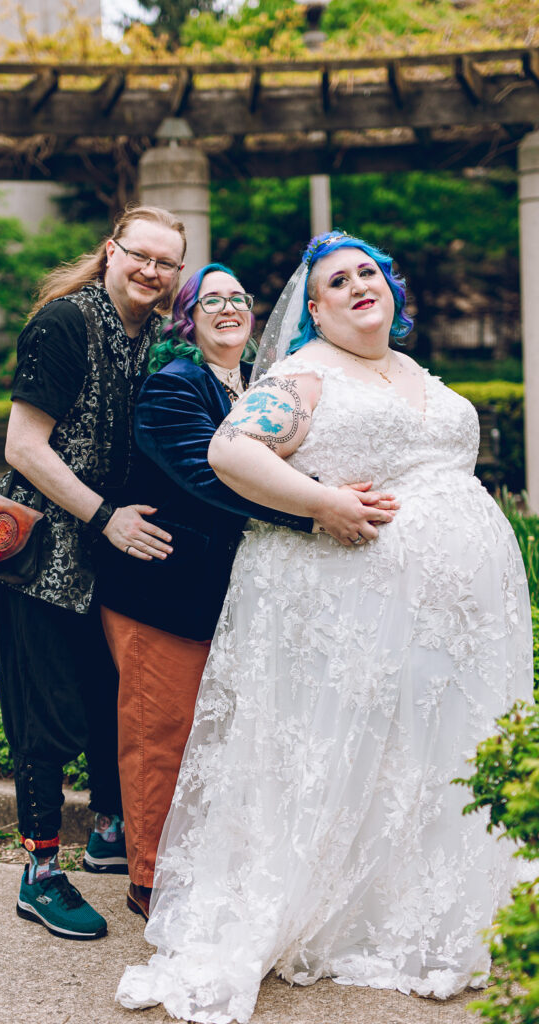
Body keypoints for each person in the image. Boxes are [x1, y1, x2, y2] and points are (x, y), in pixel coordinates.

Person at [115, 230, 533, 1019]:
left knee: (426, 751)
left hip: (455, 620)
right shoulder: (303, 375)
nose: (355, 286)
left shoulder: (411, 369)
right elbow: (232, 450)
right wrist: (323, 504)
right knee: (363, 752)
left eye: (366, 273)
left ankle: (430, 890)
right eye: (335, 282)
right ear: (314, 309)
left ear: (390, 290)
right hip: (362, 607)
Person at [96, 262, 399, 922]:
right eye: (210, 301)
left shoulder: (253, 385)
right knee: (160, 733)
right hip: (162, 588)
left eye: (238, 297)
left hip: (222, 594)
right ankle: (147, 879)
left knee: (215, 738)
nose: (228, 307)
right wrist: (312, 510)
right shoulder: (171, 386)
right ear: (187, 319)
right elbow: (206, 477)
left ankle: (196, 863)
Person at [0, 204, 185, 941]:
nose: (151, 271)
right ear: (111, 251)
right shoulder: (64, 324)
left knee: (112, 698)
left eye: (166, 263)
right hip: (41, 552)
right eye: (140, 255)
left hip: (109, 556)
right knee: (45, 715)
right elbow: (24, 447)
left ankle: (110, 833)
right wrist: (107, 516)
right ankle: (38, 874)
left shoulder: (156, 337)